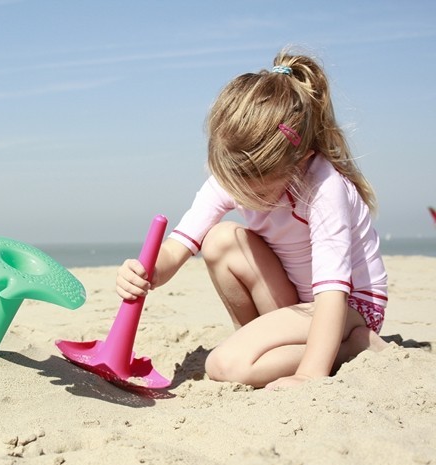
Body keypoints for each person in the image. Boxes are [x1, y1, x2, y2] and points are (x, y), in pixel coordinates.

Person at [116, 49, 388, 390]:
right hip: (298, 301)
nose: (239, 194)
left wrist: (309, 375)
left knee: (223, 364)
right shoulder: (236, 174)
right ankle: (257, 346)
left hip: (349, 308)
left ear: (298, 162)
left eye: (254, 189)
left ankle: (351, 348)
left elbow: (332, 293)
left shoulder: (323, 188)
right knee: (219, 240)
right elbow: (181, 244)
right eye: (232, 182)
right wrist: (148, 272)